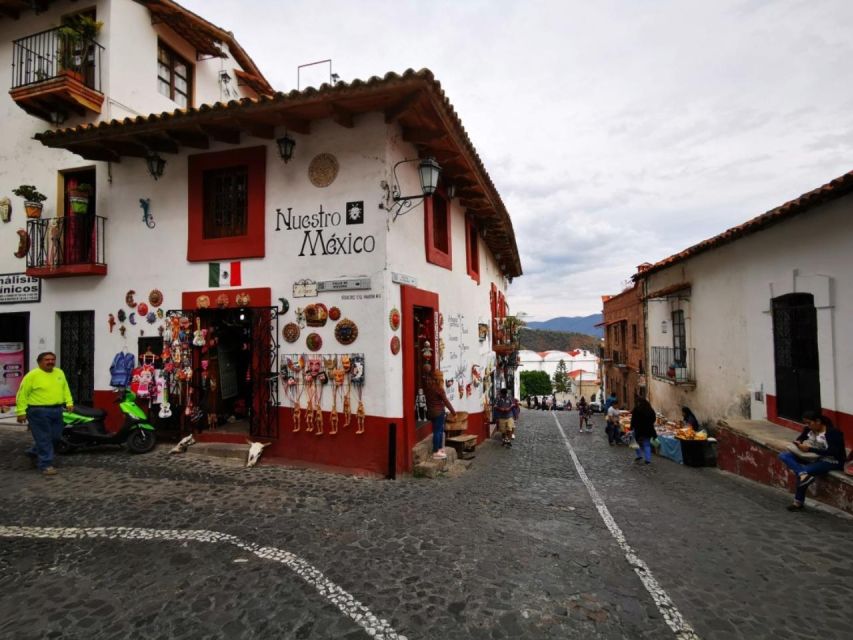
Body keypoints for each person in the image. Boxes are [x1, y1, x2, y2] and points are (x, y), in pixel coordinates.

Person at [16, 352, 74, 476]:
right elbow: (22, 394)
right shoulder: (32, 375)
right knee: (43, 438)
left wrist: (69, 402)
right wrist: (21, 412)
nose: (50, 362)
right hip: (38, 411)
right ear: (39, 362)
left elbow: (65, 388)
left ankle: (33, 452)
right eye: (47, 360)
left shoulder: (59, 373)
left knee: (56, 437)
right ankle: (46, 464)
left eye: (53, 359)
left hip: (57, 410)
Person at [778, 411, 846, 511]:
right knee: (784, 455)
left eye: (809, 423)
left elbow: (833, 452)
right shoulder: (808, 430)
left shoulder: (833, 433)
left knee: (805, 470)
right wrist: (799, 443)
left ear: (818, 421)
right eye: (806, 423)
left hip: (831, 461)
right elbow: (801, 438)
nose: (808, 426)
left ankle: (798, 502)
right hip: (813, 457)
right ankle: (802, 474)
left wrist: (810, 449)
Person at [424, 370, 455, 460]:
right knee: (438, 432)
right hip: (439, 412)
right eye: (441, 376)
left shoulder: (429, 387)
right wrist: (454, 413)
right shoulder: (439, 389)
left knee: (439, 431)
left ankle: (440, 449)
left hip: (431, 412)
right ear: (439, 378)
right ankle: (436, 451)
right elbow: (446, 402)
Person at [631, 395, 656, 465]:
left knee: (635, 443)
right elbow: (653, 419)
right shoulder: (650, 409)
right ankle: (648, 460)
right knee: (647, 444)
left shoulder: (637, 409)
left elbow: (633, 420)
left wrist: (632, 427)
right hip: (648, 429)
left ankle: (639, 455)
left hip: (638, 429)